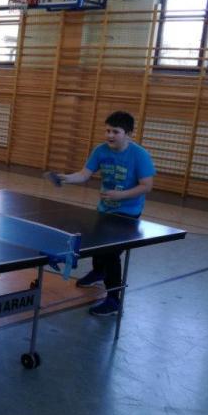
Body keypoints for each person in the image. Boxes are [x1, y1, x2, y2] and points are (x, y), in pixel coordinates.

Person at [51, 111, 155, 316]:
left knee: (110, 255)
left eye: (115, 132)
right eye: (107, 130)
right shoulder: (100, 150)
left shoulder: (140, 155)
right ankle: (98, 273)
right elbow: (84, 174)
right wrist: (66, 178)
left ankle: (113, 300)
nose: (110, 135)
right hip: (105, 210)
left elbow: (147, 185)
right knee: (96, 245)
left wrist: (120, 195)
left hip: (128, 214)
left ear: (129, 134)